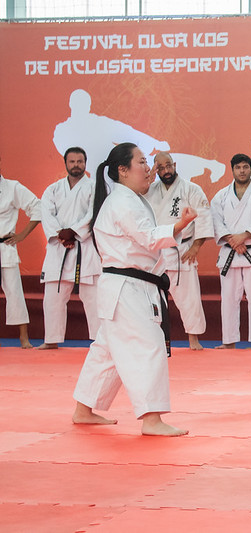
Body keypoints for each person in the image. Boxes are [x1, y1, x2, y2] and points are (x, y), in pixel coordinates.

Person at [72, 142, 197, 436]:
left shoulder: (129, 199)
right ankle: (152, 419)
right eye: (142, 162)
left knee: (107, 352)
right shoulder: (122, 202)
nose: (148, 167)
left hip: (126, 287)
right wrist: (180, 225)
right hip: (127, 289)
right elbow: (146, 236)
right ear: (123, 170)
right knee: (148, 346)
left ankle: (83, 409)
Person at [145, 152, 213, 351]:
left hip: (181, 250)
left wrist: (195, 247)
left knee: (189, 298)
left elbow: (203, 218)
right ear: (156, 169)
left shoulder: (191, 189)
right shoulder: (149, 191)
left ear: (174, 165)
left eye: (169, 166)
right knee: (152, 300)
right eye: (161, 168)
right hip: (155, 252)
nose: (166, 171)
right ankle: (152, 339)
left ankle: (193, 339)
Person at [38, 147, 101, 349]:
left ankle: (100, 341)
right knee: (53, 297)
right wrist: (61, 235)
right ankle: (51, 340)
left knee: (93, 298)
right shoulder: (53, 189)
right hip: (59, 248)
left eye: (80, 161)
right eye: (72, 161)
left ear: (85, 163)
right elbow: (46, 214)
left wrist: (73, 232)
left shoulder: (94, 187)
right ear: (65, 163)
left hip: (84, 246)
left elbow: (94, 214)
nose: (76, 165)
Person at [211, 153, 251, 349]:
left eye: (245, 167)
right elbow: (215, 221)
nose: (242, 170)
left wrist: (244, 235)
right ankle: (229, 341)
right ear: (232, 170)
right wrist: (233, 240)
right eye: (238, 167)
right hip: (231, 252)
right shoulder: (221, 195)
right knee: (229, 299)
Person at [0, 154, 41, 349]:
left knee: (15, 293)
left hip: (5, 246)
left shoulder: (12, 187)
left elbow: (37, 207)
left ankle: (24, 338)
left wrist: (22, 235)